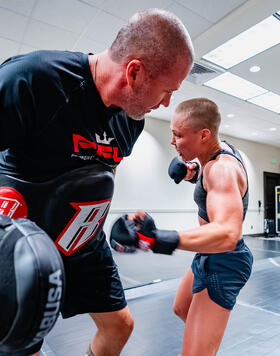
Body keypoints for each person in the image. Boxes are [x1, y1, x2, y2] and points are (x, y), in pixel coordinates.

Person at [0, 8, 194, 356]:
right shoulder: (32, 79)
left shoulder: (131, 121)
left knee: (120, 324)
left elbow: (105, 170)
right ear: (134, 72)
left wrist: (107, 220)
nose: (166, 102)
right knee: (26, 342)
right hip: (24, 239)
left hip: (82, 241)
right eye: (166, 90)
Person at [110, 98, 253, 356]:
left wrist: (154, 239)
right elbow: (208, 178)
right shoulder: (217, 153)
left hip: (225, 261)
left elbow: (228, 234)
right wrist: (190, 172)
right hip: (208, 254)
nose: (172, 142)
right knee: (181, 307)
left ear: (204, 135)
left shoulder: (221, 171)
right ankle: (205, 342)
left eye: (178, 135)